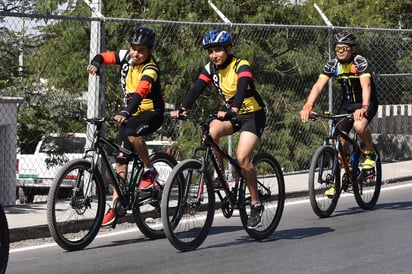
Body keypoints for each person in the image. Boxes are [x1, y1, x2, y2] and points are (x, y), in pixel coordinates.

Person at [170, 29, 266, 229]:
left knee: (242, 157)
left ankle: (256, 203)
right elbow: (196, 88)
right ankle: (220, 177)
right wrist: (183, 108)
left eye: (218, 50)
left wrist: (234, 108)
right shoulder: (210, 68)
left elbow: (241, 89)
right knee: (210, 133)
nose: (214, 55)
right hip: (231, 113)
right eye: (211, 51)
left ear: (229, 49)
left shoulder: (242, 65)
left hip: (252, 115)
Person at [87, 26, 165, 227]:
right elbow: (103, 56)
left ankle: (149, 169)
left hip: (151, 113)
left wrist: (125, 112)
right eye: (133, 48)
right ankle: (115, 206)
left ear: (150, 51)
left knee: (130, 132)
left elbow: (140, 93)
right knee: (121, 160)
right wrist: (96, 63)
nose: (136, 53)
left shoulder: (151, 68)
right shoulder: (127, 56)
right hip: (131, 114)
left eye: (141, 50)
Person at [300, 31, 378, 196]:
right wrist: (308, 105)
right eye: (337, 48)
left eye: (344, 48)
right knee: (338, 141)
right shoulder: (332, 64)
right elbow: (318, 86)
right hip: (347, 105)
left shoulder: (359, 61)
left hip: (366, 102)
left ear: (352, 48)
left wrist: (363, 107)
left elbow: (366, 86)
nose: (340, 51)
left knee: (359, 125)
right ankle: (337, 180)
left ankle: (370, 152)